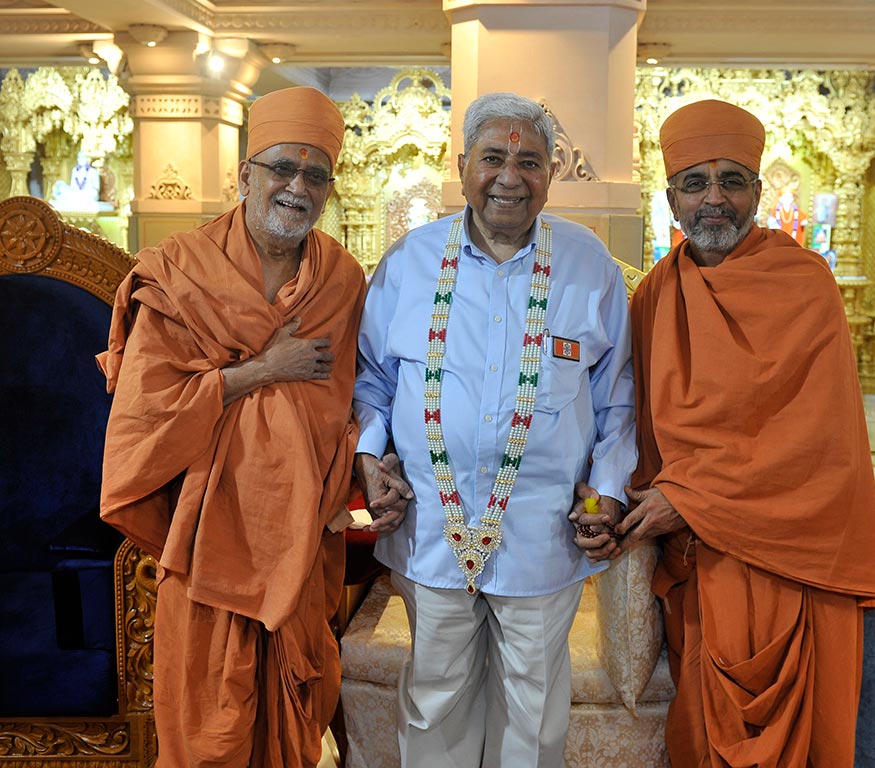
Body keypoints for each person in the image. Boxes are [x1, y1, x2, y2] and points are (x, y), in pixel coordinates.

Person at [97, 86, 408, 767]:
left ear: (329, 190)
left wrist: (369, 462)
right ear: (245, 175)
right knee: (209, 727)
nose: (298, 187)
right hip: (205, 539)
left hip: (299, 535)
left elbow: (352, 401)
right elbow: (144, 417)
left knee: (290, 725)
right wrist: (263, 370)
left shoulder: (342, 281)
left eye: (316, 175)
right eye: (282, 169)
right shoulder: (183, 271)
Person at [577, 99, 875, 768]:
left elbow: (818, 442)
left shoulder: (805, 284)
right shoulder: (656, 292)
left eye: (732, 181)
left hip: (787, 554)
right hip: (697, 559)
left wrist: (691, 499)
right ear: (671, 199)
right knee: (701, 734)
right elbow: (633, 421)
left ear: (758, 192)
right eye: (695, 182)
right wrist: (613, 499)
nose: (714, 199)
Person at [353, 91, 636, 768]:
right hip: (430, 528)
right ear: (462, 167)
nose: (510, 177)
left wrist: (605, 496)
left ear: (551, 172)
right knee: (433, 700)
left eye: (529, 161)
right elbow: (373, 381)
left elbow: (617, 397)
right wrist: (368, 457)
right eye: (493, 159)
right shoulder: (409, 261)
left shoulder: (589, 264)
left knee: (534, 712)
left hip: (544, 533)